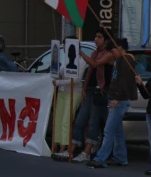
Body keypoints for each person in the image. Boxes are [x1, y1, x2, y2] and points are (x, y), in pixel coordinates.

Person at [88, 38, 137, 169]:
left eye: (113, 50)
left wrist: (117, 98)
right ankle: (121, 157)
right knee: (117, 131)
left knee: (108, 130)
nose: (112, 53)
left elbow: (125, 83)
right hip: (115, 98)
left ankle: (101, 158)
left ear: (120, 48)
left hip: (118, 100)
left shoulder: (126, 61)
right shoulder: (119, 60)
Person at [69, 31, 115, 163]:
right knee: (79, 121)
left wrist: (81, 53)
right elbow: (90, 71)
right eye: (95, 37)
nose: (96, 39)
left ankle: (87, 152)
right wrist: (84, 89)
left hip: (100, 92)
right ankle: (72, 149)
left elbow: (95, 64)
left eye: (99, 37)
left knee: (94, 123)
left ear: (105, 40)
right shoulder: (94, 53)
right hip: (90, 91)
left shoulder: (108, 55)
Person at [51, 37, 87, 160]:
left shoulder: (80, 60)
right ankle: (55, 144)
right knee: (58, 119)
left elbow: (76, 80)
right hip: (62, 93)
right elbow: (59, 73)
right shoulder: (66, 60)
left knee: (67, 120)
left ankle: (64, 147)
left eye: (65, 45)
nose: (63, 48)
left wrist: (59, 83)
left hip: (73, 93)